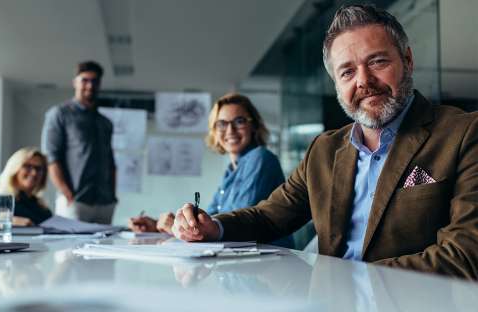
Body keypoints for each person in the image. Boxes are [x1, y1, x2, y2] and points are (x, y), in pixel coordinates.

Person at [171, 4, 478, 279]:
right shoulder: (324, 150)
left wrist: (348, 280)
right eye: (347, 72)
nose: (363, 81)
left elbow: (467, 253)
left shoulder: (463, 133)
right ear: (336, 84)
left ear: (407, 61)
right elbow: (269, 216)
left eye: (377, 62)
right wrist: (214, 226)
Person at [129, 93, 294, 248]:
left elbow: (237, 222)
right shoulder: (231, 170)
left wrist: (177, 225)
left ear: (254, 125)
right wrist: (162, 224)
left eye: (239, 121)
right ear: (214, 131)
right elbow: (210, 219)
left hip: (270, 266)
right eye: (222, 123)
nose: (230, 130)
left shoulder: (260, 158)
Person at [41, 61, 117, 224]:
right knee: (68, 249)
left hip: (105, 202)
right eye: (85, 80)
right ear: (75, 82)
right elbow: (52, 158)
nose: (90, 85)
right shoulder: (59, 114)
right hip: (75, 201)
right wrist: (67, 193)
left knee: (105, 249)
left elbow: (111, 162)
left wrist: (113, 195)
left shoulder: (105, 123)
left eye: (95, 81)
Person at [0, 147, 52, 232]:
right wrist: (11, 220)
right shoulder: (4, 200)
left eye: (38, 168)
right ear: (15, 169)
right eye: (27, 166)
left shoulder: (41, 206)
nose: (34, 173)